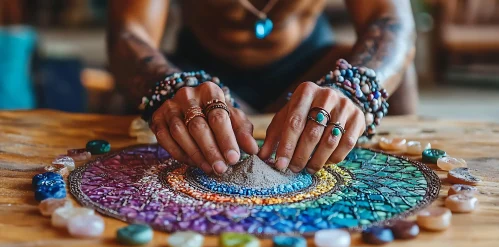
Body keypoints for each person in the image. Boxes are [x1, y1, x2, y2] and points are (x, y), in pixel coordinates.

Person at [107, 0, 416, 175]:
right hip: (198, 74)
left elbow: (389, 19)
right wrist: (167, 87)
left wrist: (354, 89)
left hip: (311, 68)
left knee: (392, 79)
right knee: (138, 108)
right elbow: (129, 33)